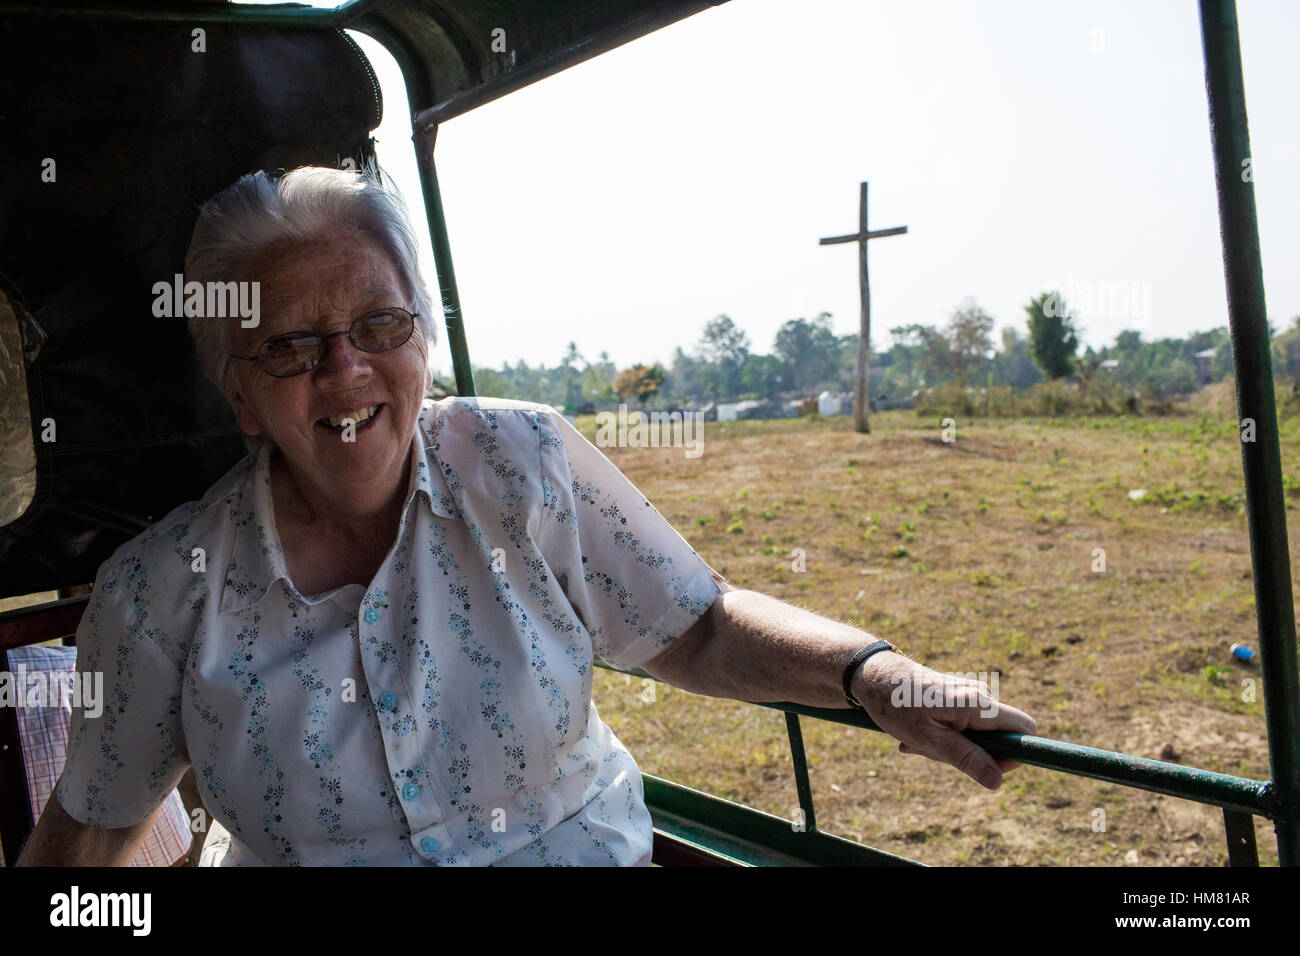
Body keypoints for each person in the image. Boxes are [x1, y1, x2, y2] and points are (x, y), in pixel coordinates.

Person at [18, 165, 1035, 866]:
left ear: (422, 339)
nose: (345, 367)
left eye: (381, 322)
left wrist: (877, 675)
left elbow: (702, 623)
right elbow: (94, 825)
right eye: (290, 343)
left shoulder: (524, 461)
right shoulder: (160, 594)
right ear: (238, 394)